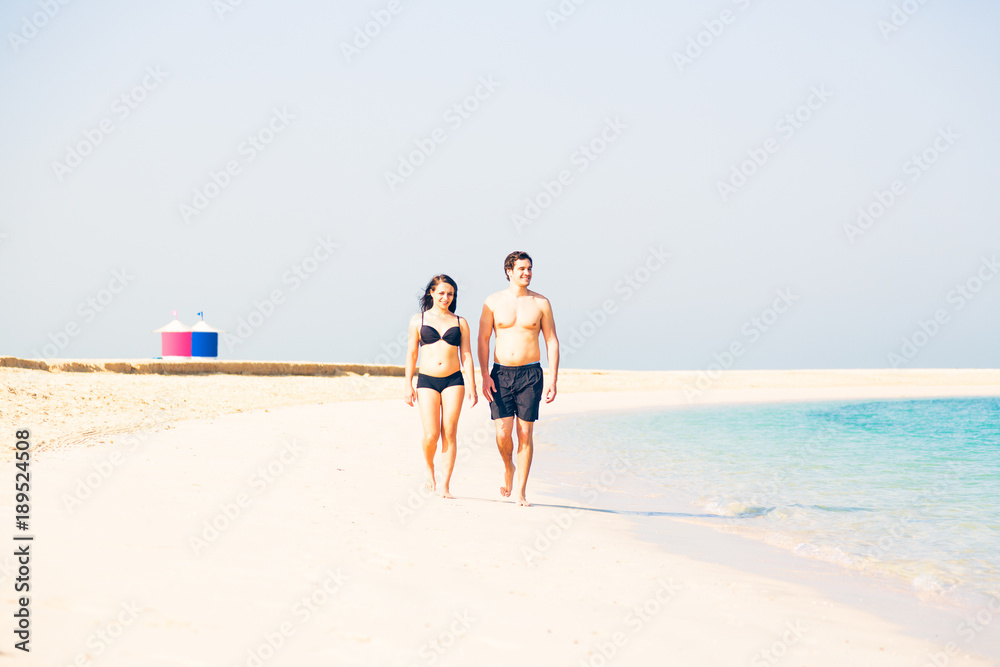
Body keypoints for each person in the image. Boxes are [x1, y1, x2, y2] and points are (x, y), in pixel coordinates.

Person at [478, 251, 559, 507]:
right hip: (500, 374)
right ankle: (508, 466)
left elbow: (551, 341)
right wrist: (483, 375)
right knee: (503, 434)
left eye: (530, 269)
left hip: (530, 373)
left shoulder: (541, 303)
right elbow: (482, 339)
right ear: (509, 271)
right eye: (522, 268)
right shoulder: (492, 301)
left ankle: (521, 492)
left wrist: (553, 378)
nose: (527, 273)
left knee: (525, 432)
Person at [405, 275, 477, 499]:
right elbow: (411, 354)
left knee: (450, 432)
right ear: (431, 293)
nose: (446, 297)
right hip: (427, 380)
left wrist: (473, 386)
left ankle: (445, 484)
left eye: (450, 294)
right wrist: (407, 384)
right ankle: (429, 467)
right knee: (431, 434)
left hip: (454, 380)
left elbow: (466, 355)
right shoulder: (418, 320)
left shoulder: (460, 322)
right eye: (442, 293)